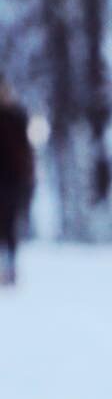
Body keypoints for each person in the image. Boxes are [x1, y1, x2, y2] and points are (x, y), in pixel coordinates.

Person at [0, 80, 35, 289]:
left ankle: (10, 268)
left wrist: (28, 174)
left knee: (10, 222)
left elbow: (26, 149)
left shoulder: (18, 117)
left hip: (14, 178)